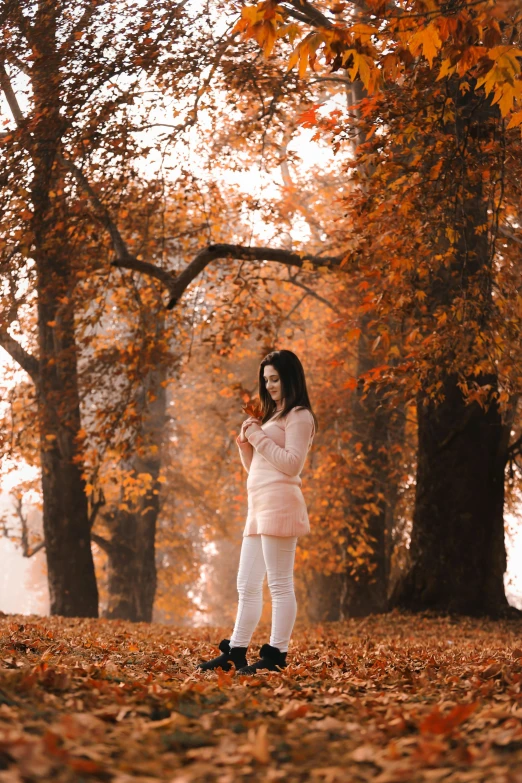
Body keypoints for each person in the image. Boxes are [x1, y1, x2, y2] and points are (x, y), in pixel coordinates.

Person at [197, 349, 318, 676]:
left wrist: (258, 436)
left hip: (281, 505)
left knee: (279, 584)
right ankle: (237, 651)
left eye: (276, 379)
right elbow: (258, 469)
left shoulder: (300, 416)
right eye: (266, 381)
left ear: (290, 377)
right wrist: (245, 446)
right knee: (246, 584)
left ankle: (277, 654)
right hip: (259, 505)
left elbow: (292, 464)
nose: (270, 386)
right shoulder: (272, 418)